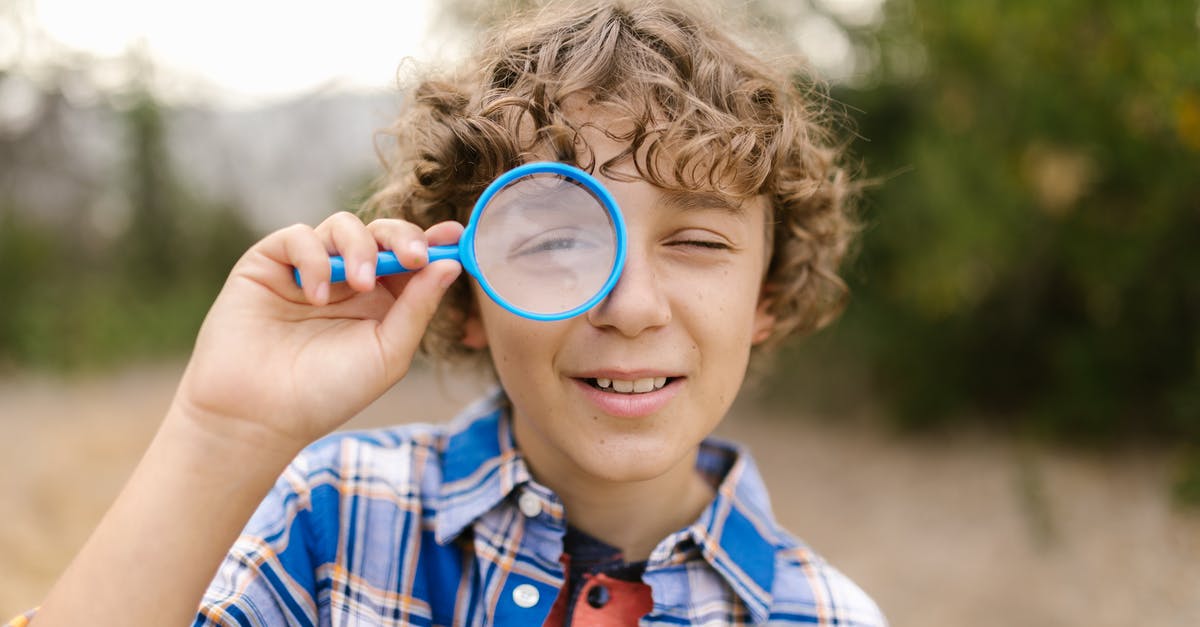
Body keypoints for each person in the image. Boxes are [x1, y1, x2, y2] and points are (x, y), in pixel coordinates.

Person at [13, 0, 886, 625]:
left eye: (697, 242)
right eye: (555, 242)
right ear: (466, 293)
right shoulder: (334, 524)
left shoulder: (827, 615)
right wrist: (221, 429)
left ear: (766, 296)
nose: (630, 304)